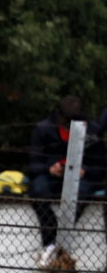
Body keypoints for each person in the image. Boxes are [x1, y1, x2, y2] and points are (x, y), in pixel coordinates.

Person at [27, 96, 105, 264]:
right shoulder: (43, 129)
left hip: (80, 178)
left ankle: (58, 240)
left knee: (82, 192)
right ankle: (51, 239)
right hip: (50, 177)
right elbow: (33, 164)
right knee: (38, 190)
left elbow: (100, 166)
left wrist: (85, 171)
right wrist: (49, 169)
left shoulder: (91, 131)